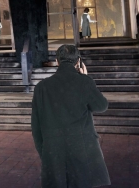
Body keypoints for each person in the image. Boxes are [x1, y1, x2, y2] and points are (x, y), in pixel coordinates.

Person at [31, 45, 110, 187]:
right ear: (78, 62)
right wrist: (85, 78)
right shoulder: (84, 82)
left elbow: (36, 126)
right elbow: (101, 106)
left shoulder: (41, 87)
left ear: (57, 61)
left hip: (53, 150)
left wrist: (45, 152)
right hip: (81, 149)